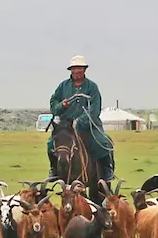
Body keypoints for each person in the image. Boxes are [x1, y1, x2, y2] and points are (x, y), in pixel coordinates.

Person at [47, 55, 116, 183]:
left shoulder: (92, 87)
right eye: (74, 69)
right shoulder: (63, 86)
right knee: (51, 143)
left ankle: (107, 170)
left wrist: (80, 121)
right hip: (66, 126)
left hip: (89, 125)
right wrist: (61, 105)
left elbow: (95, 110)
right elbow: (53, 104)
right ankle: (54, 169)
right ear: (71, 70)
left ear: (84, 70)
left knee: (103, 142)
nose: (77, 72)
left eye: (80, 69)